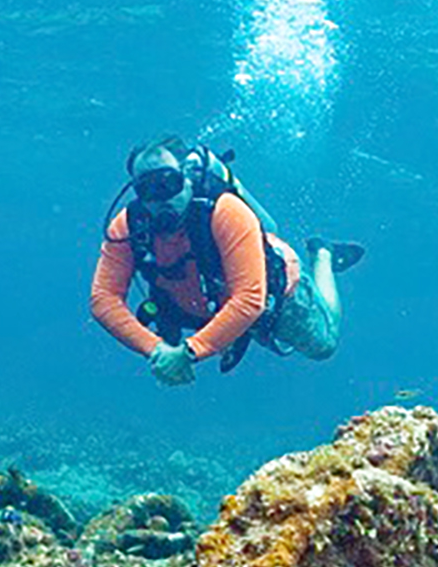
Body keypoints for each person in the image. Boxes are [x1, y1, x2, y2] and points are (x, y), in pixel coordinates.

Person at [90, 136, 361, 386]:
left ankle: (323, 253)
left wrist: (187, 353)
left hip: (273, 291)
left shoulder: (227, 211)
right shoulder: (128, 226)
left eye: (167, 183)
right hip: (210, 304)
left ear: (187, 177)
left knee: (325, 345)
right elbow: (103, 298)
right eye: (147, 189)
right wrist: (156, 348)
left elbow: (250, 299)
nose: (160, 199)